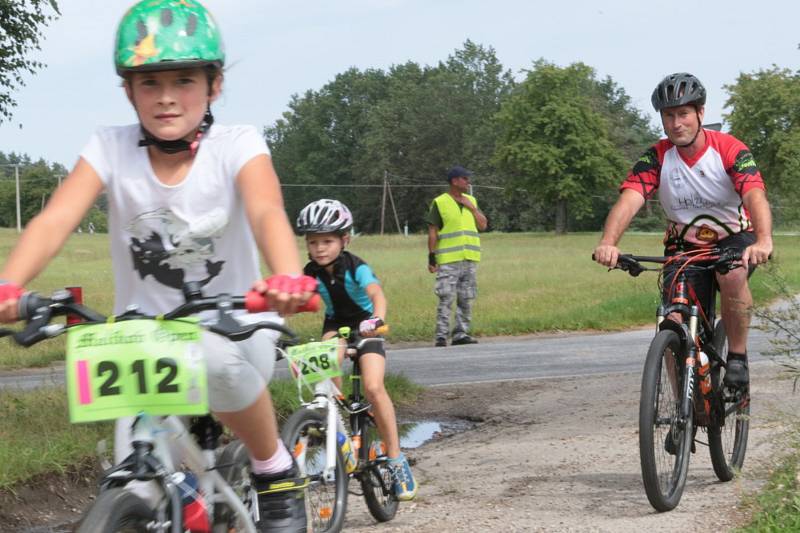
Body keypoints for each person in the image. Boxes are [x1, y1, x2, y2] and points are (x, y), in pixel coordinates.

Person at [0, 1, 313, 531]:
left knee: (214, 361)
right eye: (149, 83)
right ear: (128, 91)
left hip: (236, 327)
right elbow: (55, 220)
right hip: (142, 340)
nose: (167, 96)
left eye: (185, 80)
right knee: (136, 481)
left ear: (214, 86)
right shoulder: (109, 146)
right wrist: (11, 284)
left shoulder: (238, 145)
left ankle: (273, 467)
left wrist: (287, 275)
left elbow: (265, 209)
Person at [593, 72, 773, 390]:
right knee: (671, 322)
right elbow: (629, 200)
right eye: (669, 116)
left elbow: (754, 195)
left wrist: (763, 240)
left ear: (700, 114)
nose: (677, 123)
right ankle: (682, 412)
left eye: (684, 114)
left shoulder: (729, 149)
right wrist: (608, 243)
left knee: (731, 275)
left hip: (734, 238)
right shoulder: (658, 156)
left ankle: (737, 358)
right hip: (684, 245)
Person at [296, 198, 418, 501]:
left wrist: (377, 319)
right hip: (336, 324)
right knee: (323, 371)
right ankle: (338, 429)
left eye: (327, 241)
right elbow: (298, 298)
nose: (320, 248)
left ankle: (396, 459)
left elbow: (377, 294)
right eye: (313, 242)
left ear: (344, 240)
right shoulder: (311, 271)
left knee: (374, 387)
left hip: (367, 325)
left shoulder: (356, 266)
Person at [427, 165, 488, 347]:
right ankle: (441, 335)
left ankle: (461, 333)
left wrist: (473, 209)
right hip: (448, 260)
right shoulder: (440, 202)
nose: (468, 182)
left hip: (469, 258)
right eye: (465, 179)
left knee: (466, 297)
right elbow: (433, 232)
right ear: (455, 181)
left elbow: (483, 225)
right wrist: (432, 257)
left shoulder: (471, 201)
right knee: (446, 297)